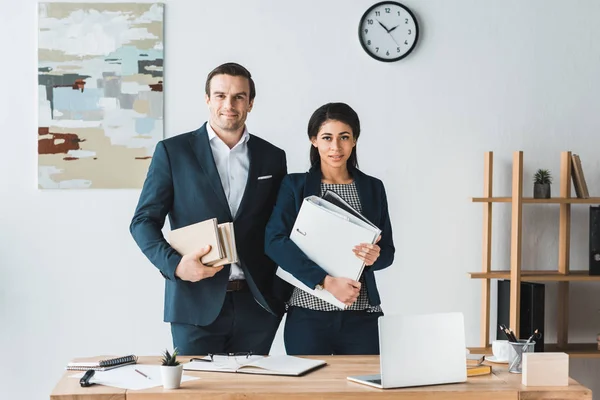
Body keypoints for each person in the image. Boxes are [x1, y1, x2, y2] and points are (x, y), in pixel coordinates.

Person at [130, 62, 287, 356]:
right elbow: (143, 221)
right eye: (220, 95)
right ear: (207, 99)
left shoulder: (273, 157)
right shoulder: (173, 152)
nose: (229, 104)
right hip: (194, 303)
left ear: (250, 103)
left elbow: (280, 226)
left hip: (257, 305)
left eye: (239, 96)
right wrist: (175, 265)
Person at [265, 102, 395, 355]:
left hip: (362, 316)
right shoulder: (295, 185)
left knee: (363, 392)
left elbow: (387, 251)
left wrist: (375, 257)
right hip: (308, 315)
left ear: (355, 140)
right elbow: (274, 241)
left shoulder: (372, 187)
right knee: (310, 392)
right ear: (314, 140)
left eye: (344, 137)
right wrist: (325, 281)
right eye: (327, 138)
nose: (336, 147)